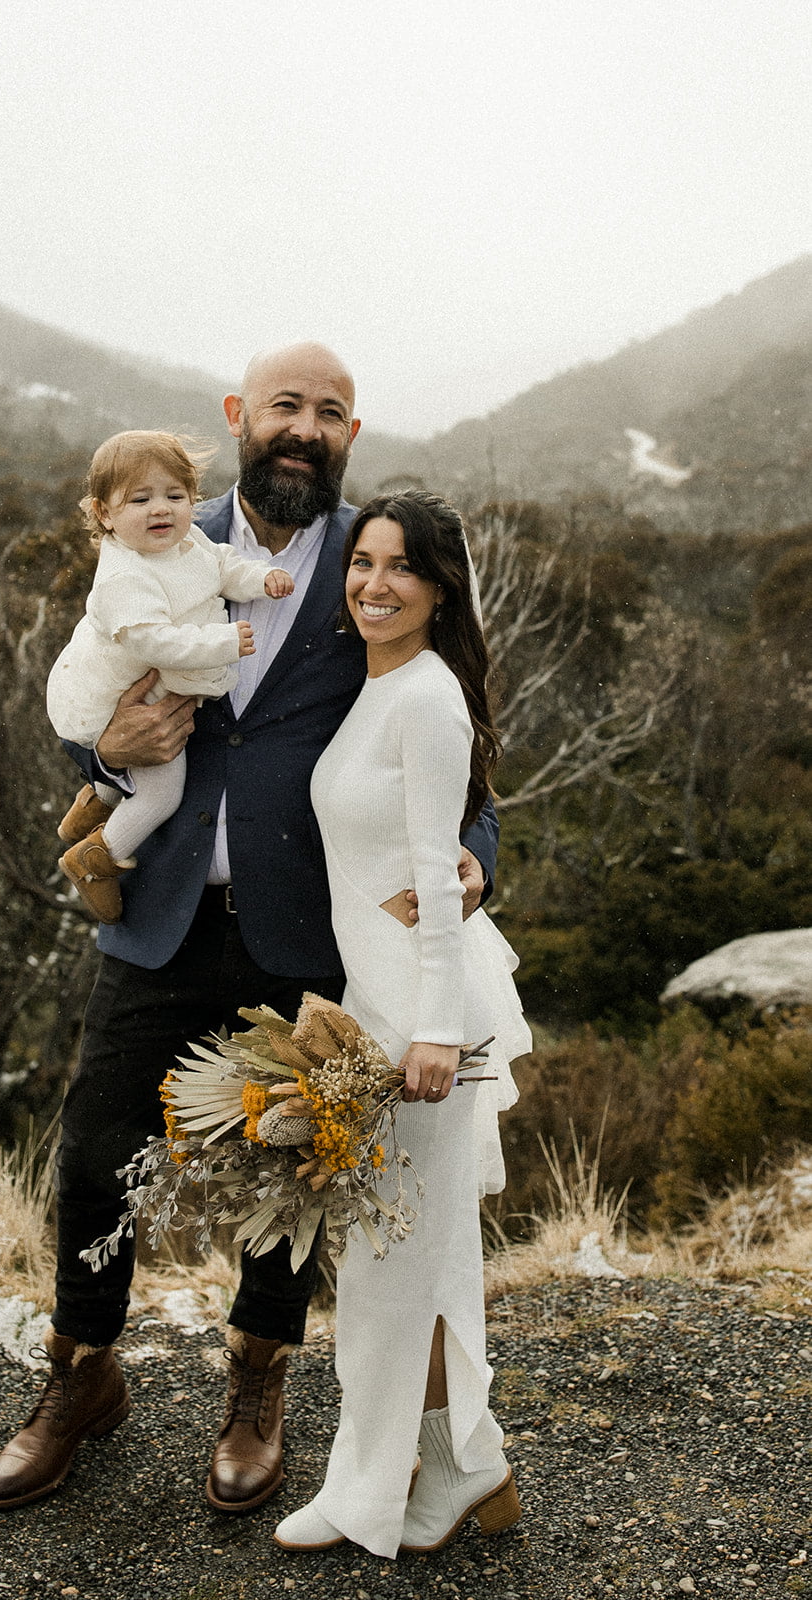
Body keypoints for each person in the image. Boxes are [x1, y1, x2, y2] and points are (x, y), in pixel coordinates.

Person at [0, 344, 500, 1515]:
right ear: (239, 416)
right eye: (284, 407)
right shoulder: (154, 526)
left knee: (292, 1166)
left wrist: (472, 854)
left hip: (306, 931)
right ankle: (80, 1370)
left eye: (328, 412)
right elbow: (88, 674)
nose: (303, 428)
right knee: (96, 1144)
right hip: (159, 914)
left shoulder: (376, 561)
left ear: (349, 433)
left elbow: (451, 720)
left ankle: (256, 1380)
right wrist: (102, 748)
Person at [273, 491, 532, 1559]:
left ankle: (376, 1489)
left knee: (393, 1267)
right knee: (409, 1260)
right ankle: (463, 1467)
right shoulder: (376, 684)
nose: (374, 584)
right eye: (361, 563)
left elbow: (433, 870)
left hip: (425, 1023)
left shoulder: (424, 697)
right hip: (376, 1007)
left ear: (440, 588)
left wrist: (431, 1029)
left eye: (401, 568)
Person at [47, 430, 294, 923]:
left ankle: (91, 808)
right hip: (113, 698)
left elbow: (222, 567)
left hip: (144, 690)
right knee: (161, 792)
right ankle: (95, 858)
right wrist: (222, 643)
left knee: (141, 755)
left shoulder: (188, 542)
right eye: (140, 500)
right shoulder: (123, 576)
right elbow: (153, 642)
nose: (161, 509)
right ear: (104, 513)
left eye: (175, 496)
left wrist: (259, 579)